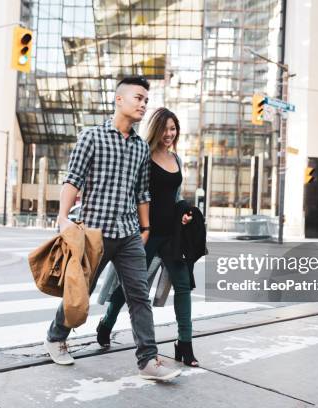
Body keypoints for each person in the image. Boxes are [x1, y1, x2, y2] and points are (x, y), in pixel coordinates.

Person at [44, 76, 181, 381]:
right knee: (83, 290)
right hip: (95, 232)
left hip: (130, 233)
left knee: (139, 296)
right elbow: (73, 178)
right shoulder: (91, 136)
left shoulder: (140, 150)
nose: (143, 104)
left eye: (146, 100)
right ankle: (56, 337)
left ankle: (147, 359)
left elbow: (143, 192)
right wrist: (63, 217)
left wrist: (144, 227)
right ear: (119, 100)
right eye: (138, 98)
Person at [96, 107, 200, 367]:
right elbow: (132, 192)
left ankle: (184, 343)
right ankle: (106, 323)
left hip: (171, 233)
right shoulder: (142, 154)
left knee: (184, 285)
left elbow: (173, 196)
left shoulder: (176, 158)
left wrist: (183, 213)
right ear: (156, 129)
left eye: (173, 128)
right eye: (165, 128)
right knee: (132, 287)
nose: (169, 133)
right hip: (145, 232)